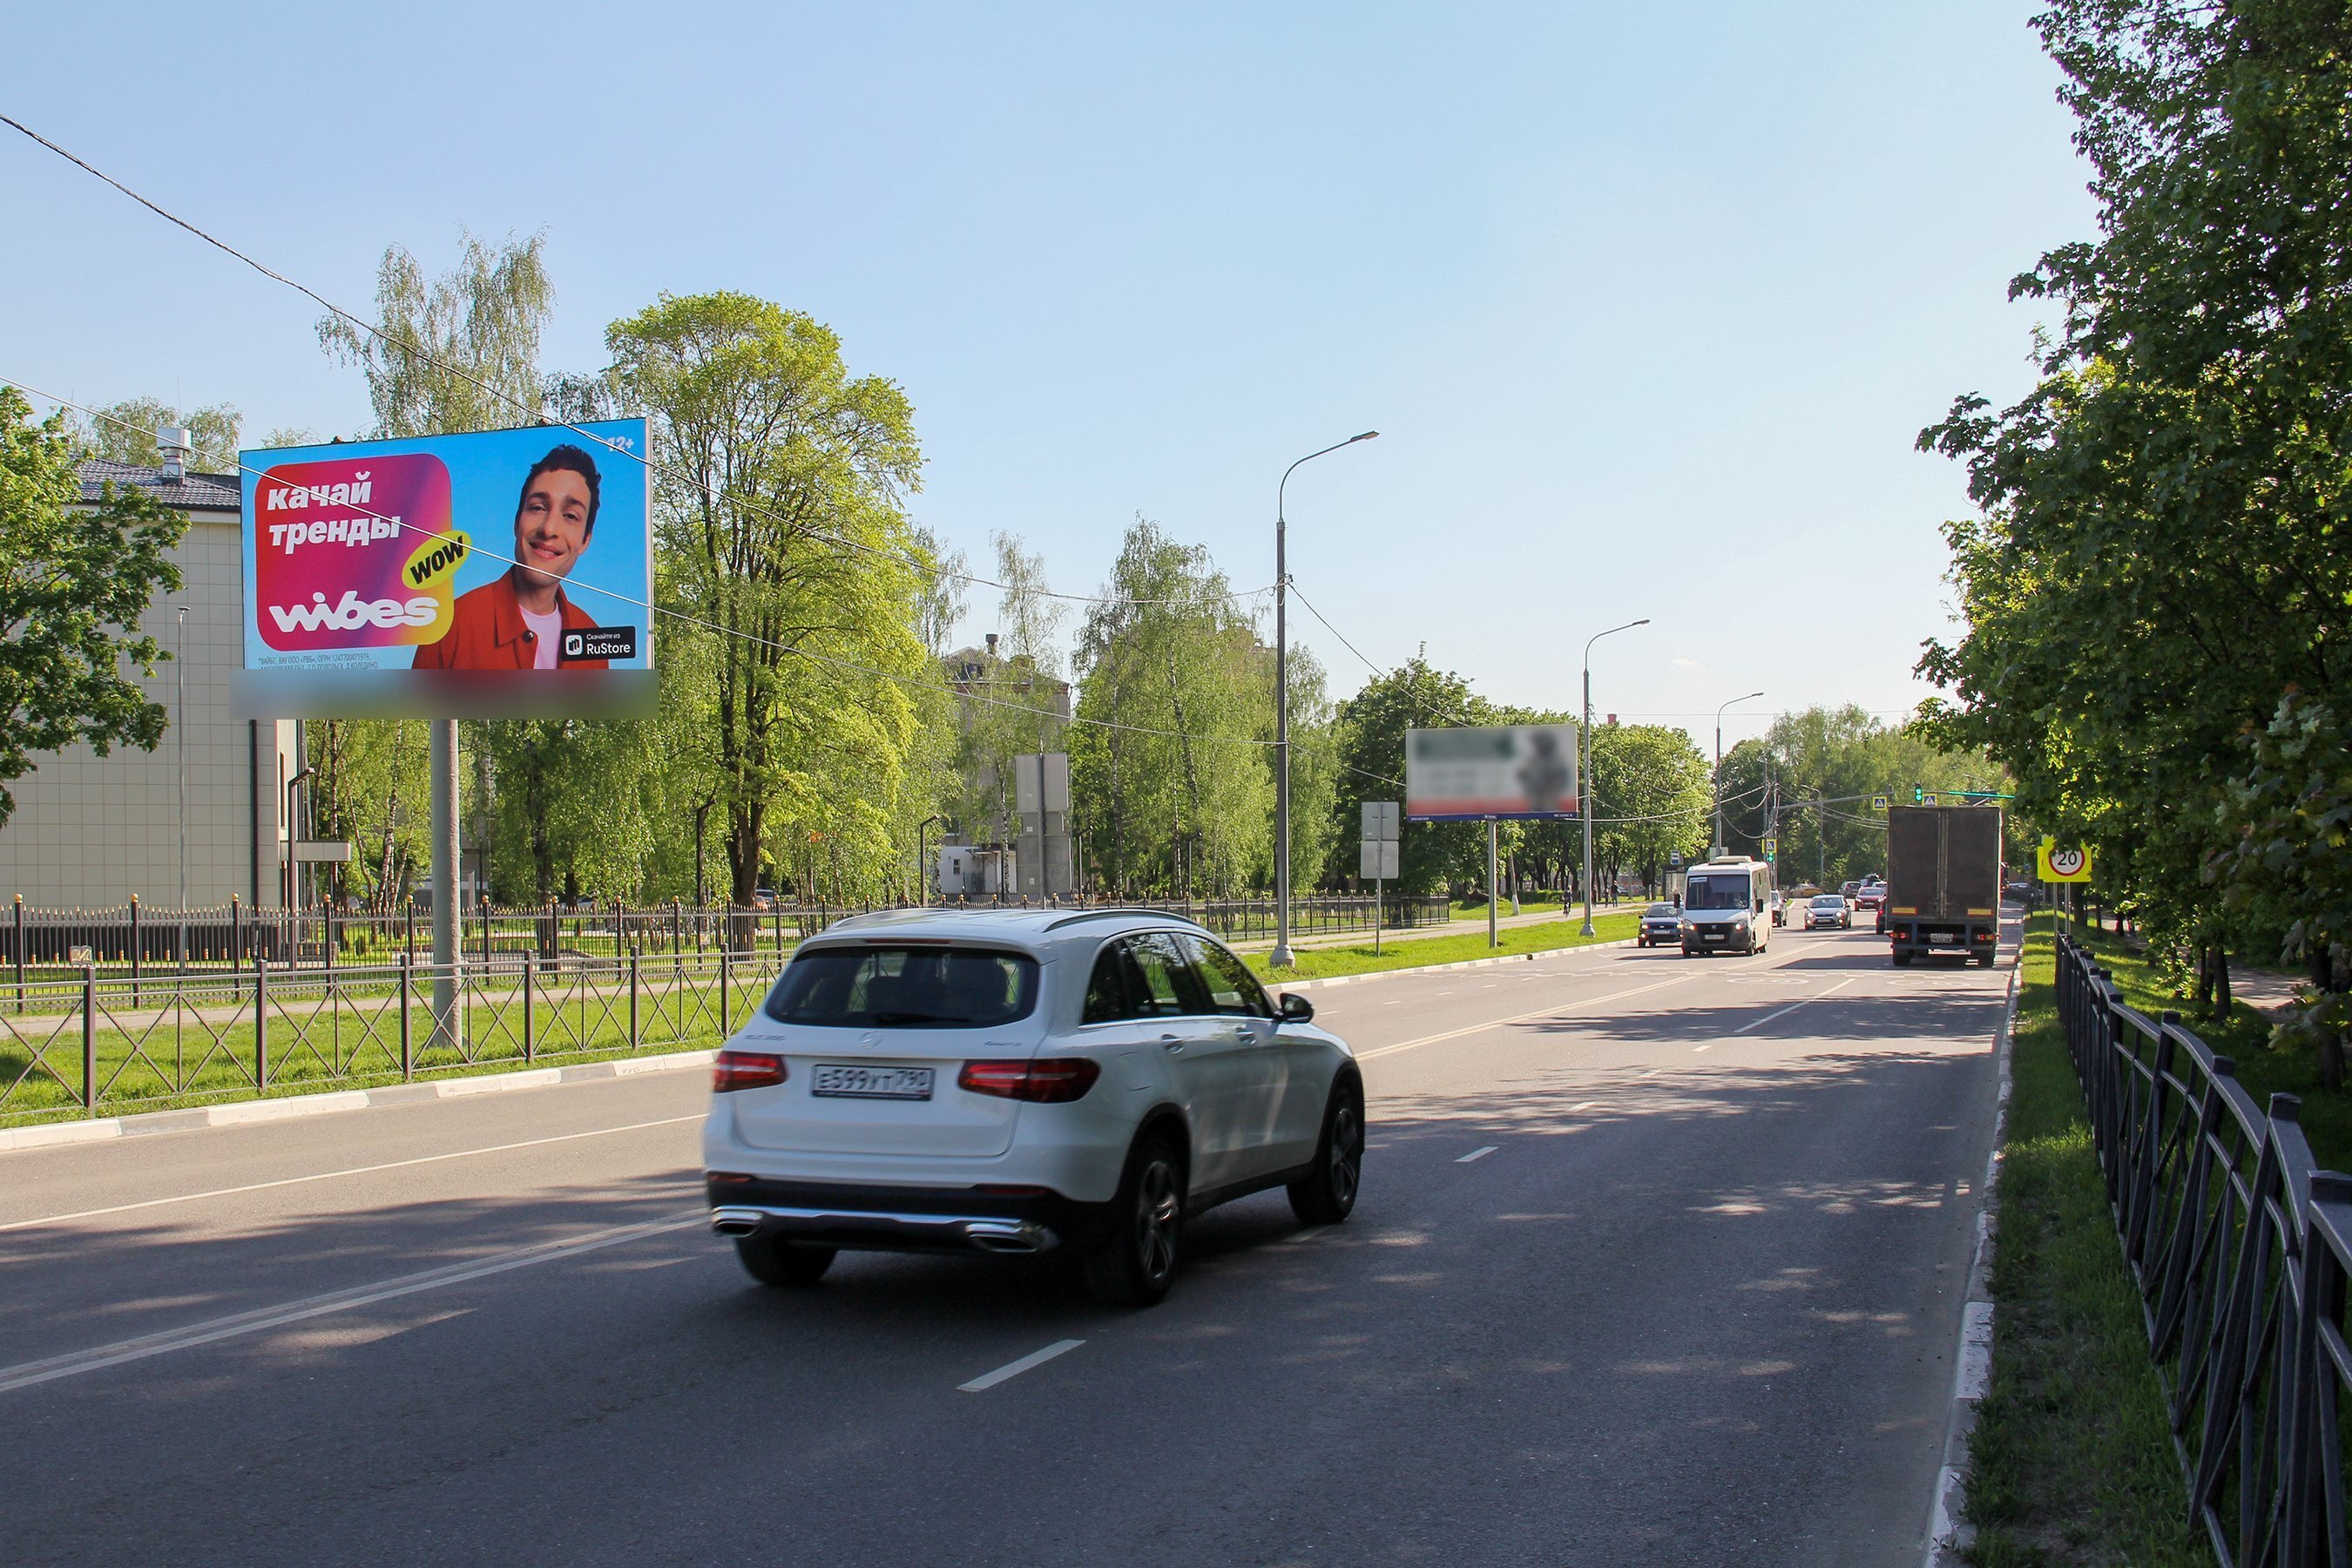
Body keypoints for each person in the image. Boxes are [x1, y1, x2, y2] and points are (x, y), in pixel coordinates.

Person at [413, 444, 612, 670]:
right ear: (517, 522)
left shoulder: (592, 637)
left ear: (585, 540)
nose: (549, 529)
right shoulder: (451, 625)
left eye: (570, 516)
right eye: (538, 508)